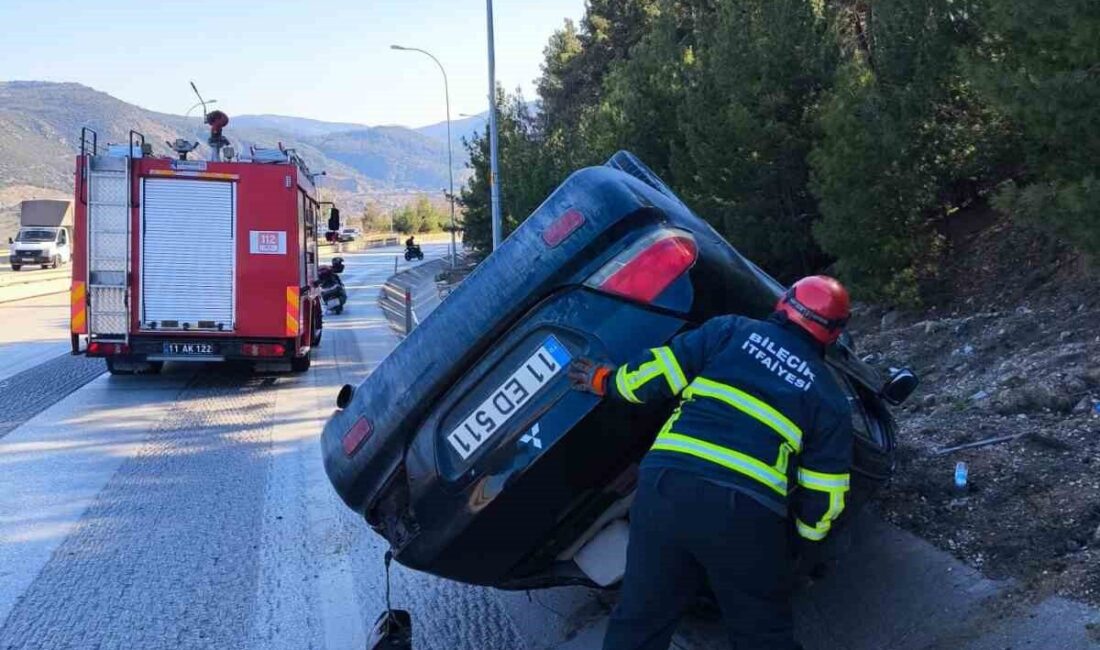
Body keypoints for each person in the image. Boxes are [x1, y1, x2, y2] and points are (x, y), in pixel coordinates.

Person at [568, 276, 854, 650]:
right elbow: (826, 496)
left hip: (665, 488)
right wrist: (797, 542)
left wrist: (603, 379)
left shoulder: (730, 330)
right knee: (762, 633)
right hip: (744, 513)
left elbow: (649, 379)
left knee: (640, 620)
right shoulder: (828, 396)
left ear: (784, 302)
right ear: (833, 334)